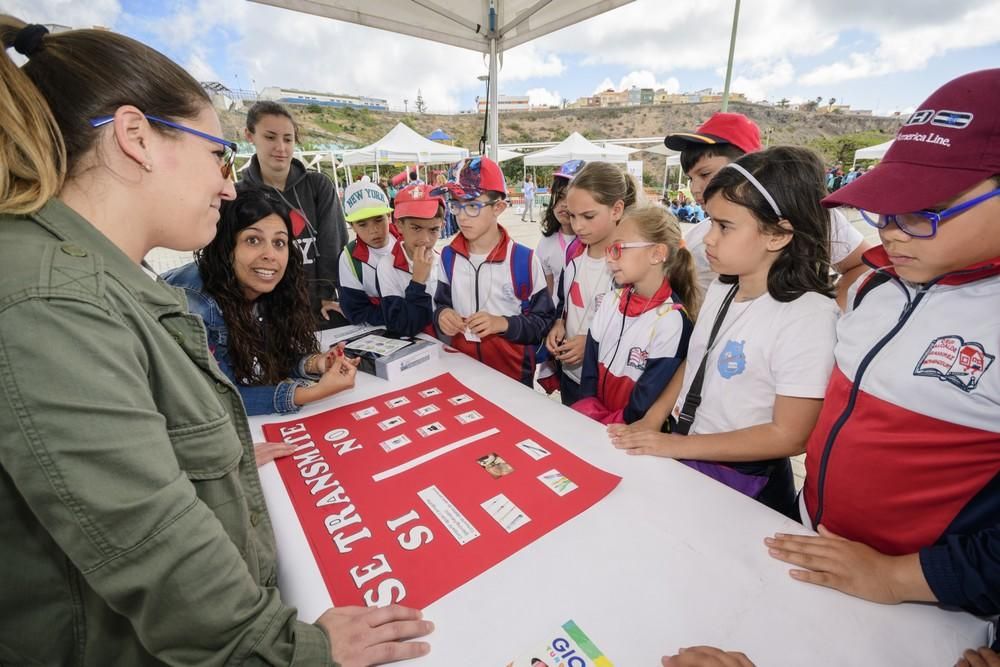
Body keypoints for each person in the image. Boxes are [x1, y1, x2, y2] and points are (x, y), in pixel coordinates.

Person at [0, 16, 431, 665]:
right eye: (216, 155)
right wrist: (303, 649)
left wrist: (224, 463)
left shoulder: (90, 279)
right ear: (136, 138)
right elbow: (157, 551)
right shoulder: (52, 300)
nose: (229, 185)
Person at [763, 68, 1000, 621]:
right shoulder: (873, 283)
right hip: (815, 545)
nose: (892, 230)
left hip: (932, 604)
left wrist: (898, 578)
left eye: (924, 210)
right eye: (886, 208)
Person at [609, 146, 840, 518]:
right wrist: (652, 421)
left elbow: (790, 435)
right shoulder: (723, 287)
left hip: (744, 484)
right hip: (691, 455)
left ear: (778, 235)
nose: (709, 238)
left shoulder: (808, 317)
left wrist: (672, 445)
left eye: (724, 226)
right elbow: (697, 359)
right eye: (710, 221)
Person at [164, 189, 359, 416]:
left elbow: (269, 357)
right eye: (253, 240)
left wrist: (316, 364)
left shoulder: (268, 288)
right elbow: (217, 397)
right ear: (226, 246)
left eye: (279, 242)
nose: (270, 255)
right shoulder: (195, 305)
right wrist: (311, 393)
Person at [664, 112, 870, 307]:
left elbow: (862, 263)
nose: (695, 188)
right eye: (690, 178)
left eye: (706, 174)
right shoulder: (698, 237)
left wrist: (832, 313)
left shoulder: (807, 214)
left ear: (752, 165)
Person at [433, 157, 556, 385]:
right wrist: (442, 315)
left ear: (498, 207)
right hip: (462, 372)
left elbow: (543, 322)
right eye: (455, 204)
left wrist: (503, 324)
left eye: (471, 205)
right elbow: (441, 303)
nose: (460, 216)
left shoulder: (524, 260)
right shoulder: (448, 257)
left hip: (513, 379)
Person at [572, 204, 698, 425]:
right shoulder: (610, 302)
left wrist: (609, 423)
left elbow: (646, 401)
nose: (609, 259)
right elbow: (589, 376)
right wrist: (589, 412)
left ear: (657, 254)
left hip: (630, 434)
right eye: (609, 250)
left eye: (618, 248)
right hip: (595, 424)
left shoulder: (672, 321)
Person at [238, 100, 350, 329]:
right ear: (249, 136)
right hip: (264, 318)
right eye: (270, 137)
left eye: (287, 139)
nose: (281, 147)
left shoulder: (318, 186)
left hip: (319, 312)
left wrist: (329, 293)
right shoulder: (238, 195)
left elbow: (333, 244)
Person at [546, 161, 639, 405]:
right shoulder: (574, 252)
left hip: (607, 385)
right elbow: (565, 300)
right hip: (571, 377)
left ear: (617, 210)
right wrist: (559, 322)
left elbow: (640, 330)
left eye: (588, 216)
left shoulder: (631, 263)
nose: (578, 226)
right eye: (572, 216)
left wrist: (590, 343)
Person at [377, 183, 444, 337]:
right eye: (416, 228)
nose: (425, 239)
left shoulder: (444, 262)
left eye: (433, 230)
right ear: (399, 225)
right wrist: (418, 282)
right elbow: (400, 327)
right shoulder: (387, 266)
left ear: (442, 226)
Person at [337, 179, 397, 326]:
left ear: (388, 216)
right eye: (362, 224)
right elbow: (356, 311)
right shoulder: (348, 259)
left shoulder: (407, 243)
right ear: (352, 226)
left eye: (378, 220)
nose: (373, 230)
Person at [535, 159, 584, 295]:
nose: (564, 204)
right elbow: (548, 293)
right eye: (560, 196)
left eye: (570, 198)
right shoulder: (545, 244)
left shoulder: (594, 242)